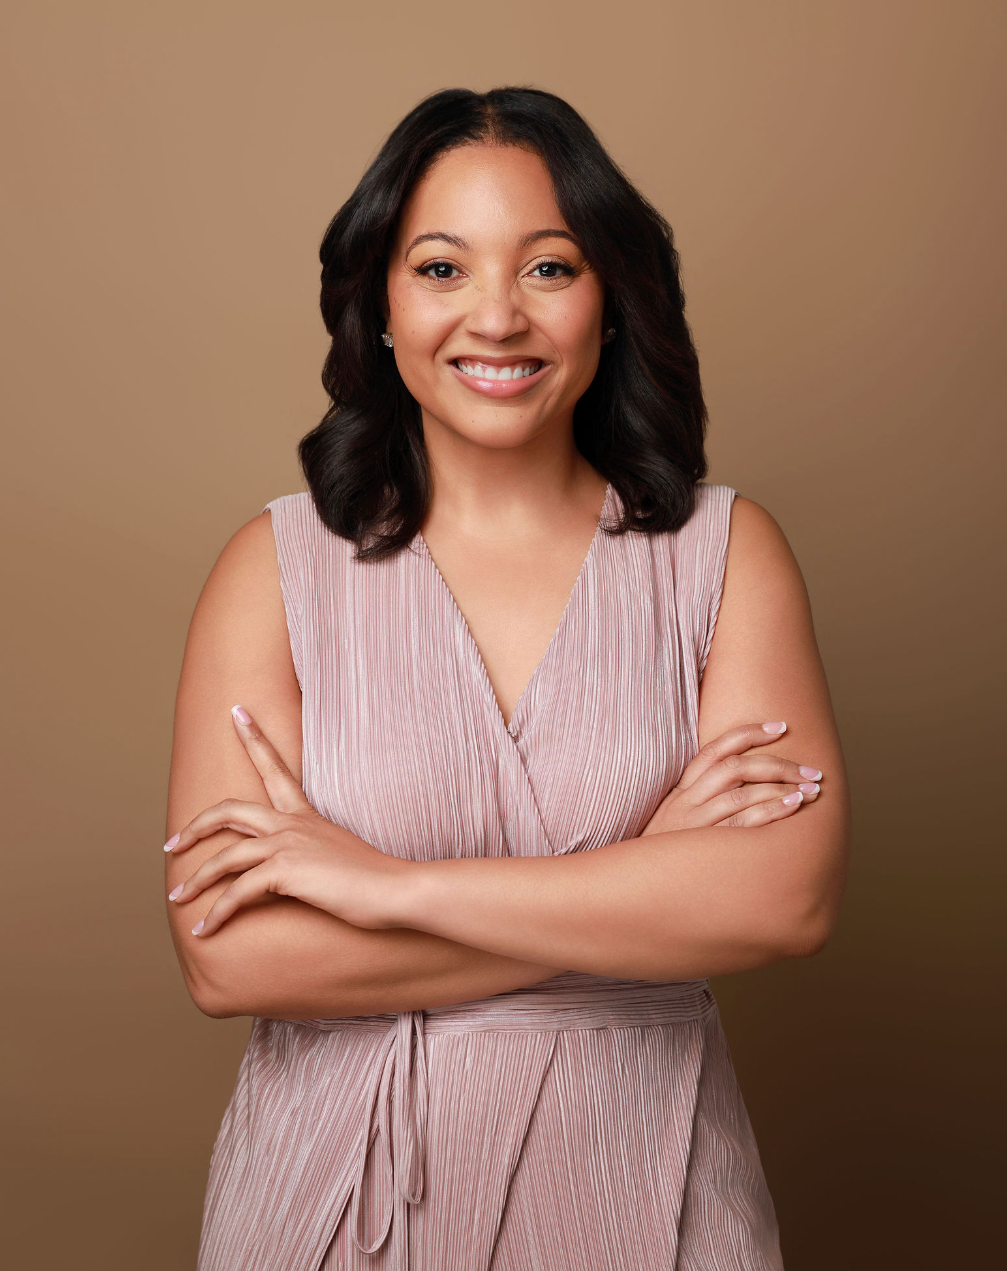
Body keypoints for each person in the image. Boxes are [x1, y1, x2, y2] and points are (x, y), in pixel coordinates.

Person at [164, 87, 850, 1271]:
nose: (495, 316)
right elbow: (231, 957)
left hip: (655, 1184)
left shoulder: (724, 554)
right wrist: (633, 886)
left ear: (610, 302)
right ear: (379, 303)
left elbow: (780, 899)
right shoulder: (270, 569)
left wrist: (383, 890)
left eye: (548, 267)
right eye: (440, 267)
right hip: (338, 1198)